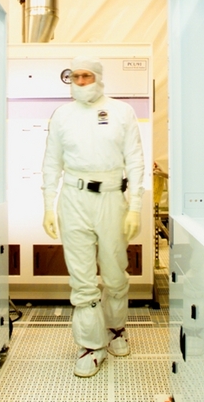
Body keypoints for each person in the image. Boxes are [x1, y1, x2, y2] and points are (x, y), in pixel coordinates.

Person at [42, 56, 145, 377]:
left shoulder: (122, 112)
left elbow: (136, 161)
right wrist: (48, 204)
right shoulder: (61, 116)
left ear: (99, 78)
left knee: (115, 273)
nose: (81, 82)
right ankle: (90, 345)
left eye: (87, 76)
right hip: (73, 199)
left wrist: (137, 205)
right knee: (82, 278)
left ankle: (115, 330)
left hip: (113, 198)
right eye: (75, 76)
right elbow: (51, 162)